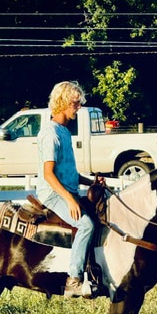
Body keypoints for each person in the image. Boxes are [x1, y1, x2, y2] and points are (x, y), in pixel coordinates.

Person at [37, 81, 101, 298]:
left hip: (66, 190)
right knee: (86, 225)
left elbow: (69, 173)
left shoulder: (64, 131)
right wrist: (70, 200)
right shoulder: (51, 134)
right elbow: (48, 174)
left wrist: (91, 182)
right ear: (63, 103)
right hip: (52, 193)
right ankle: (73, 280)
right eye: (75, 103)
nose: (79, 107)